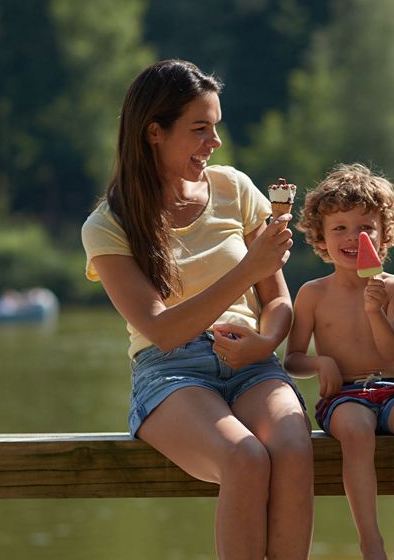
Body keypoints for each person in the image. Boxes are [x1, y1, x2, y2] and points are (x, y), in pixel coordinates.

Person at [81, 59, 313, 559]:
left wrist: (266, 341)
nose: (215, 142)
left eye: (217, 128)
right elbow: (161, 330)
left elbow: (277, 301)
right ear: (154, 133)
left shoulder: (235, 189)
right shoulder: (107, 225)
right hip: (171, 375)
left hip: (253, 362)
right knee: (246, 458)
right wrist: (248, 269)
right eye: (200, 129)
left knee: (294, 448)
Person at [285, 164, 394, 560]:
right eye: (340, 229)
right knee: (355, 429)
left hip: (393, 386)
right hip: (344, 396)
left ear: (385, 236)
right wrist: (320, 364)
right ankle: (370, 541)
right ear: (320, 237)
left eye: (365, 228)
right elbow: (291, 359)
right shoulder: (312, 294)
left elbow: (393, 353)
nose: (353, 238)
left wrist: (375, 311)